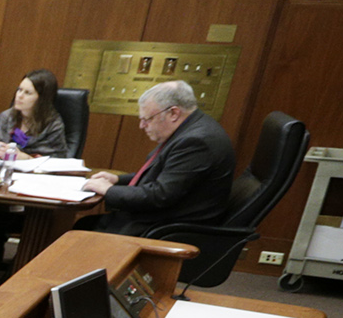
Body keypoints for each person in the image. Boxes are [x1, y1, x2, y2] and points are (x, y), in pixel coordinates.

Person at [81, 80, 236, 236]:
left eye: (147, 119)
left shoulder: (197, 142)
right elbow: (164, 176)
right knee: (84, 225)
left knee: (81, 235)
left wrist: (109, 190)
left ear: (173, 113)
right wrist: (117, 180)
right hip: (159, 219)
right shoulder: (191, 130)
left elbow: (160, 195)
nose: (142, 126)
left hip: (165, 229)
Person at [0, 70, 68, 159]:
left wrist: (26, 158)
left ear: (42, 99)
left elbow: (57, 163)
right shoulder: (5, 117)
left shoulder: (53, 126)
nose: (19, 96)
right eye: (20, 90)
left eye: (27, 93)